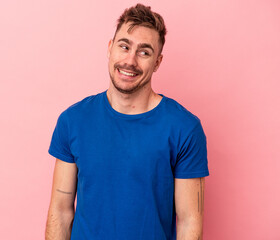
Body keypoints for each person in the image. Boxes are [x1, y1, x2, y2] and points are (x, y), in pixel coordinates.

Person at [45, 3, 209, 240]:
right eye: (124, 46)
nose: (130, 60)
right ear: (110, 48)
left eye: (144, 52)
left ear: (158, 62)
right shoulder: (73, 120)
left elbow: (189, 223)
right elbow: (60, 212)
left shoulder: (185, 128)